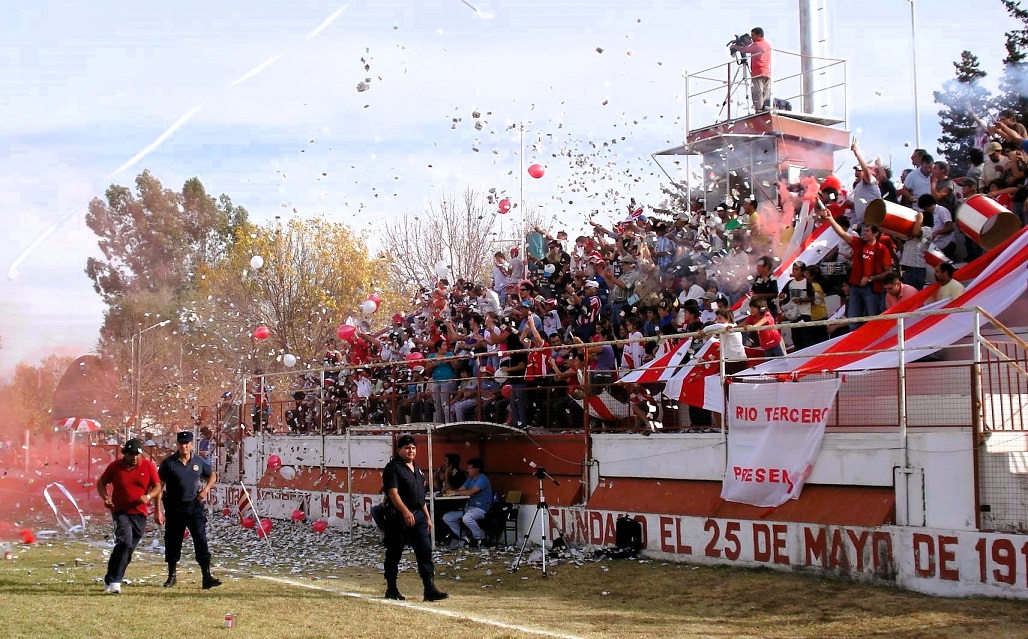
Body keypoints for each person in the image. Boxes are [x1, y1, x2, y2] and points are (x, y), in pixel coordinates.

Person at [381, 435, 448, 601]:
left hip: (418, 515)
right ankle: (391, 588)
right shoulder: (393, 468)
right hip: (398, 516)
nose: (410, 451)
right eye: (407, 448)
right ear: (399, 450)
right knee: (394, 552)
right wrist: (405, 512)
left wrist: (427, 517)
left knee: (425, 550)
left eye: (413, 448)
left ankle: (429, 588)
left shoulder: (416, 468)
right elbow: (393, 493)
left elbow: (420, 495)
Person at [96, 438, 162, 594]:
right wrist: (105, 497)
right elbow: (101, 483)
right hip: (120, 511)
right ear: (125, 454)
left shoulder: (148, 466)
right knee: (124, 541)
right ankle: (115, 581)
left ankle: (110, 577)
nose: (134, 458)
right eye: (131, 454)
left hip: (140, 513)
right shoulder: (115, 467)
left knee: (128, 548)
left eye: (137, 454)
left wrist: (149, 498)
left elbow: (157, 486)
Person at [157, 431, 221, 590]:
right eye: (181, 443)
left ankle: (206, 576)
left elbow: (212, 475)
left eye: (186, 443)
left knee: (200, 539)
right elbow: (159, 486)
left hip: (194, 506)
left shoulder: (198, 461)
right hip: (174, 507)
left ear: (191, 445)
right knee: (173, 540)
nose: (184, 446)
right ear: (177, 444)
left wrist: (206, 489)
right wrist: (157, 510)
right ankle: (172, 576)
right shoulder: (169, 463)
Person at [442, 458, 493, 549]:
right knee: (447, 517)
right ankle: (464, 537)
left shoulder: (482, 479)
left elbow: (470, 492)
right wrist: (450, 490)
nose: (467, 470)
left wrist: (455, 492)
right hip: (470, 508)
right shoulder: (470, 479)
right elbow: (461, 489)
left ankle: (480, 538)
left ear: (477, 469)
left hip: (481, 509)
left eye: (470, 468)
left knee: (467, 518)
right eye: (467, 468)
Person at [731, 27, 772, 111]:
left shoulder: (757, 45)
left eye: (752, 35)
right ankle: (764, 110)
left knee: (757, 94)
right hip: (767, 73)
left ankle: (759, 111)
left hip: (758, 73)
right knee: (765, 95)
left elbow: (744, 50)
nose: (751, 38)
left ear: (758, 35)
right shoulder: (767, 44)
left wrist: (734, 46)